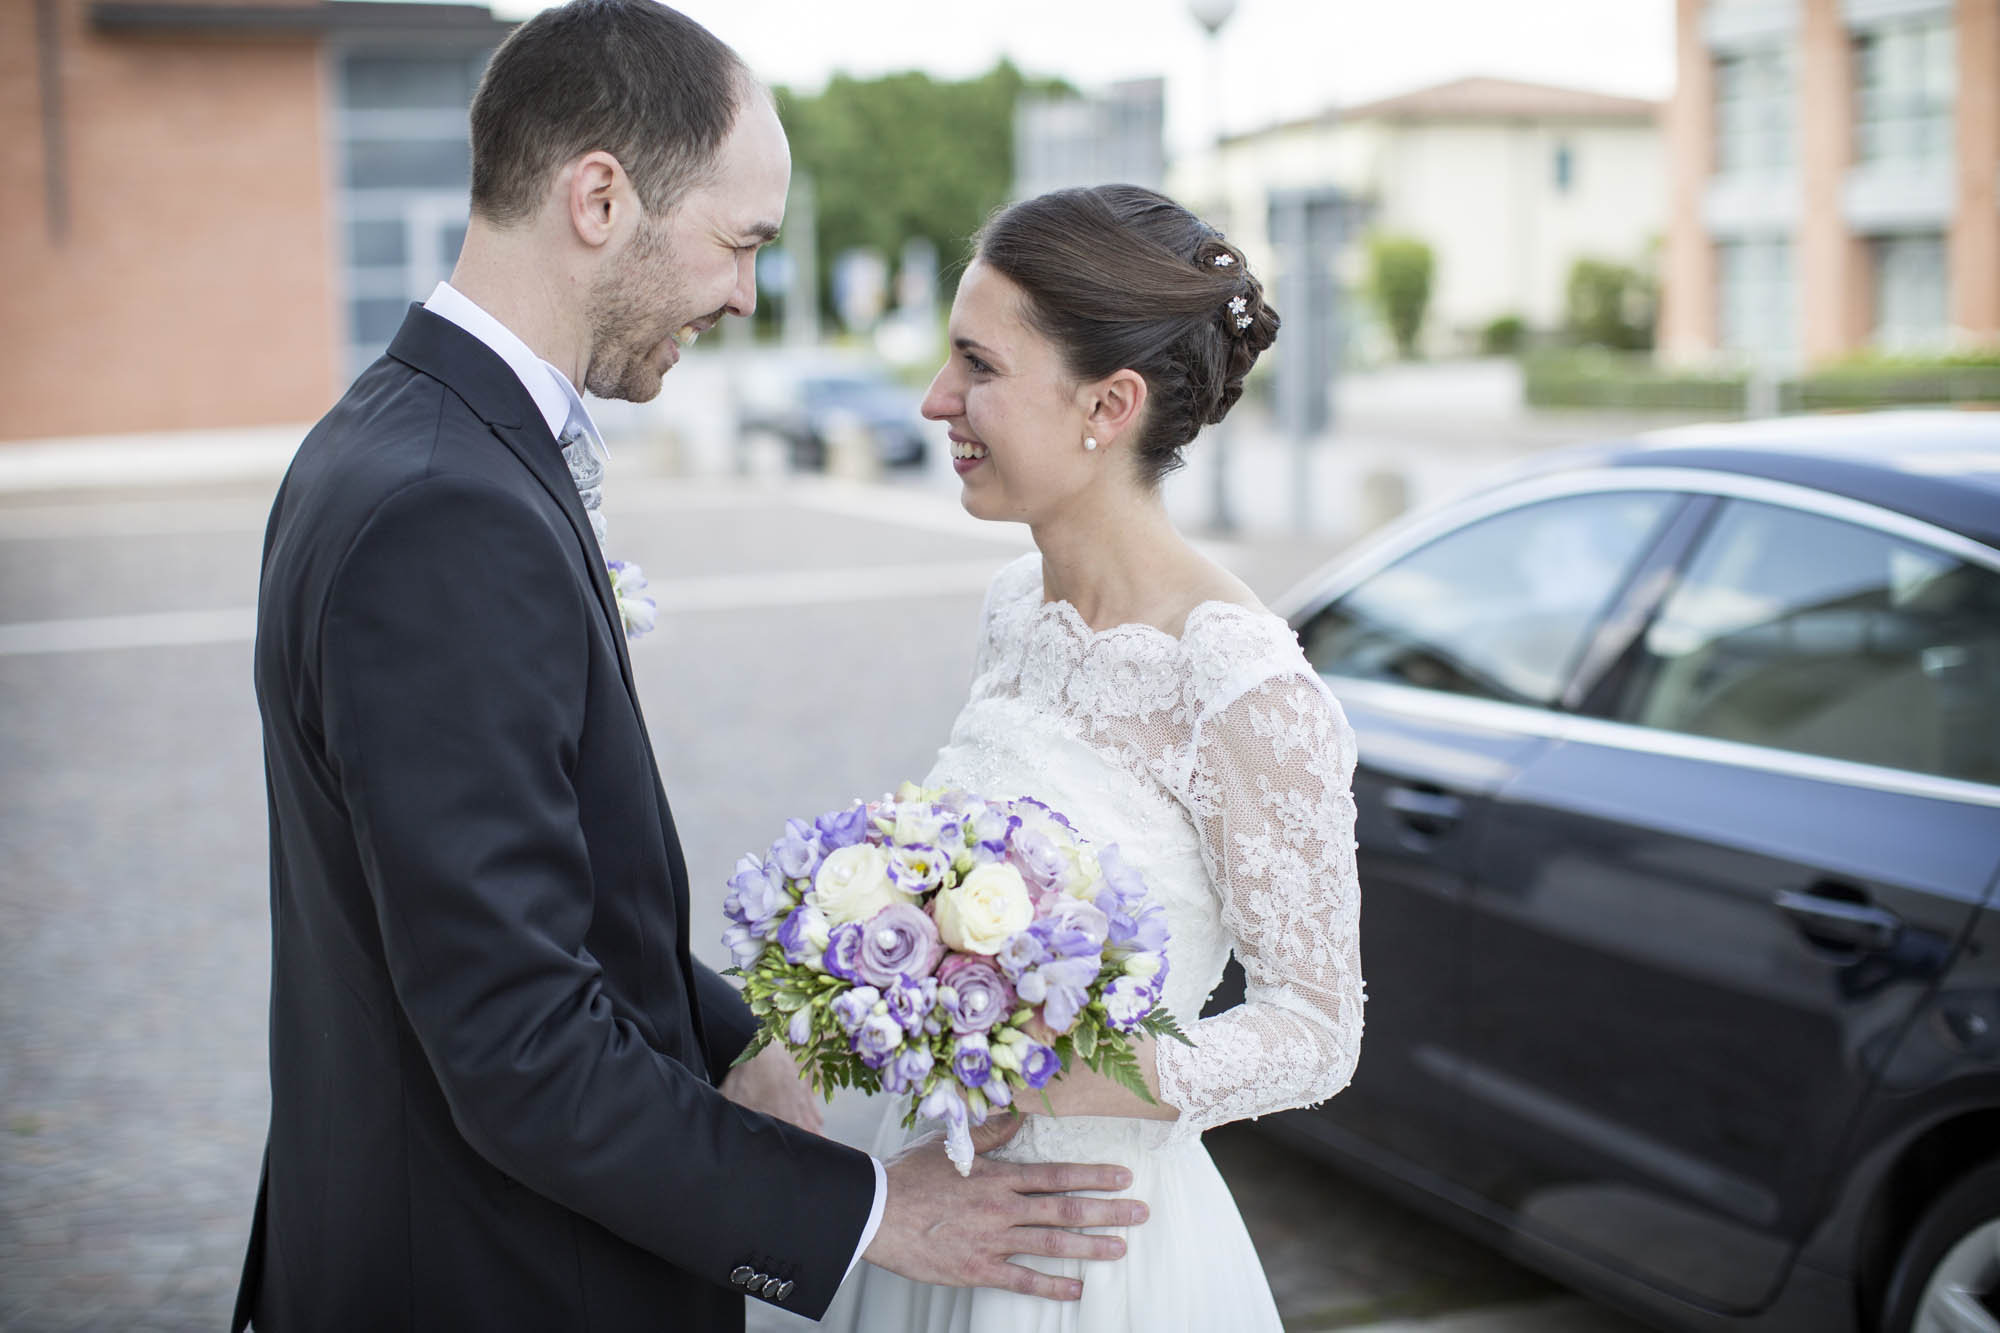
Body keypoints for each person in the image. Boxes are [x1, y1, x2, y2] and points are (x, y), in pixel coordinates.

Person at [234, 5, 1145, 1329]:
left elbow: (535, 899)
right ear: (601, 198)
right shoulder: (448, 508)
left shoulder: (406, 438)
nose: (745, 295)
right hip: (492, 1283)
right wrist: (874, 1212)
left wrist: (727, 1036)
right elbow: (519, 1047)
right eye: (740, 243)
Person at [820, 185, 1366, 1332]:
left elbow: (1315, 1029)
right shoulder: (1014, 607)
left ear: (1105, 405)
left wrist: (1105, 1075)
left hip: (1097, 1255)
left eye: (976, 365)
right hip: (934, 1198)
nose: (936, 401)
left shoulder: (1241, 684)